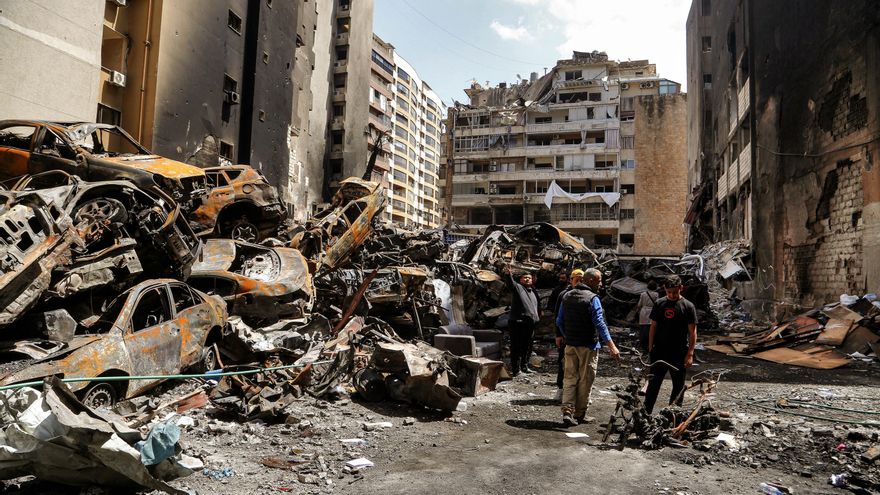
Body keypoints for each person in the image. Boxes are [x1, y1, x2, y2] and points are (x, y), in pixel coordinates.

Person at [556, 268, 620, 426]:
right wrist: (611, 346)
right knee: (585, 380)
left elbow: (559, 321)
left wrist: (567, 336)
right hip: (588, 346)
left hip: (570, 345)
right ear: (590, 280)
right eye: (599, 281)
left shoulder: (567, 296)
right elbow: (600, 323)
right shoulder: (593, 298)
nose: (601, 284)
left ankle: (567, 410)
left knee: (569, 378)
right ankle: (579, 413)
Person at [644, 274, 698, 414]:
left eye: (675, 292)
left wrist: (690, 353)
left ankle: (673, 416)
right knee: (653, 384)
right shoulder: (659, 303)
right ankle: (645, 414)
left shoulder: (688, 306)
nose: (672, 295)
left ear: (681, 288)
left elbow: (692, 332)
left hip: (679, 352)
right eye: (669, 292)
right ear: (664, 289)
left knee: (678, 386)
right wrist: (650, 347)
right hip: (659, 351)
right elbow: (653, 326)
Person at [551, 269, 583, 402]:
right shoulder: (564, 294)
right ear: (571, 280)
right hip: (566, 335)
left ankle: (578, 393)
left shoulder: (587, 294)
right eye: (576, 279)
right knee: (564, 363)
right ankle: (560, 389)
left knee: (580, 365)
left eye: (581, 279)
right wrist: (558, 334)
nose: (579, 282)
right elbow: (558, 317)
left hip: (580, 336)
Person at [505, 269, 540, 377]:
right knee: (517, 347)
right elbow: (510, 284)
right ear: (520, 280)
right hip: (518, 322)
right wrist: (508, 274)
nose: (527, 279)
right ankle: (516, 370)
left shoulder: (532, 291)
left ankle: (524, 366)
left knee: (527, 346)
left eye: (529, 278)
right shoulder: (518, 288)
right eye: (525, 278)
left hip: (529, 324)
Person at [635, 280, 660, 352]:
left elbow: (639, 304)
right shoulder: (656, 294)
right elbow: (657, 304)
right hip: (652, 311)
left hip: (644, 312)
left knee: (643, 329)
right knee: (652, 328)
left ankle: (643, 345)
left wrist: (637, 311)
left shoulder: (643, 294)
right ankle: (651, 344)